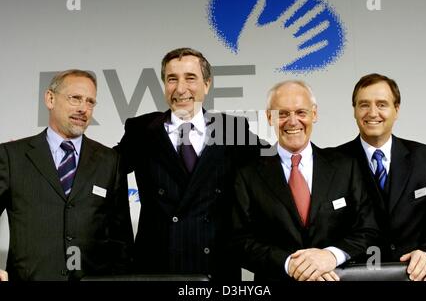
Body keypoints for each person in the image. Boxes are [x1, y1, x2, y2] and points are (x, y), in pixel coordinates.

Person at [115, 47, 260, 280]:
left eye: (190, 78)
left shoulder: (232, 129)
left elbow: (274, 169)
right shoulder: (141, 130)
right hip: (156, 269)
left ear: (207, 84)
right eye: (172, 79)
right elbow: (104, 169)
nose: (180, 89)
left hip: (215, 268)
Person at [231, 80, 379, 281]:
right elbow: (239, 241)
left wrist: (331, 256)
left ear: (314, 114)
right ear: (269, 117)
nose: (292, 121)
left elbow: (368, 229)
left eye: (301, 112)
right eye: (283, 114)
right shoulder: (247, 175)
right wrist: (288, 263)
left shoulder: (346, 167)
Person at [0, 69, 133, 281]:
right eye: (75, 98)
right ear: (50, 99)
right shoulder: (11, 156)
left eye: (90, 102)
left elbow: (121, 238)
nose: (83, 108)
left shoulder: (110, 161)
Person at [336, 73, 426, 281]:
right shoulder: (333, 163)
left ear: (396, 110)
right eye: (363, 105)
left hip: (415, 276)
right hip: (354, 278)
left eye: (381, 104)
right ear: (354, 110)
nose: (372, 113)